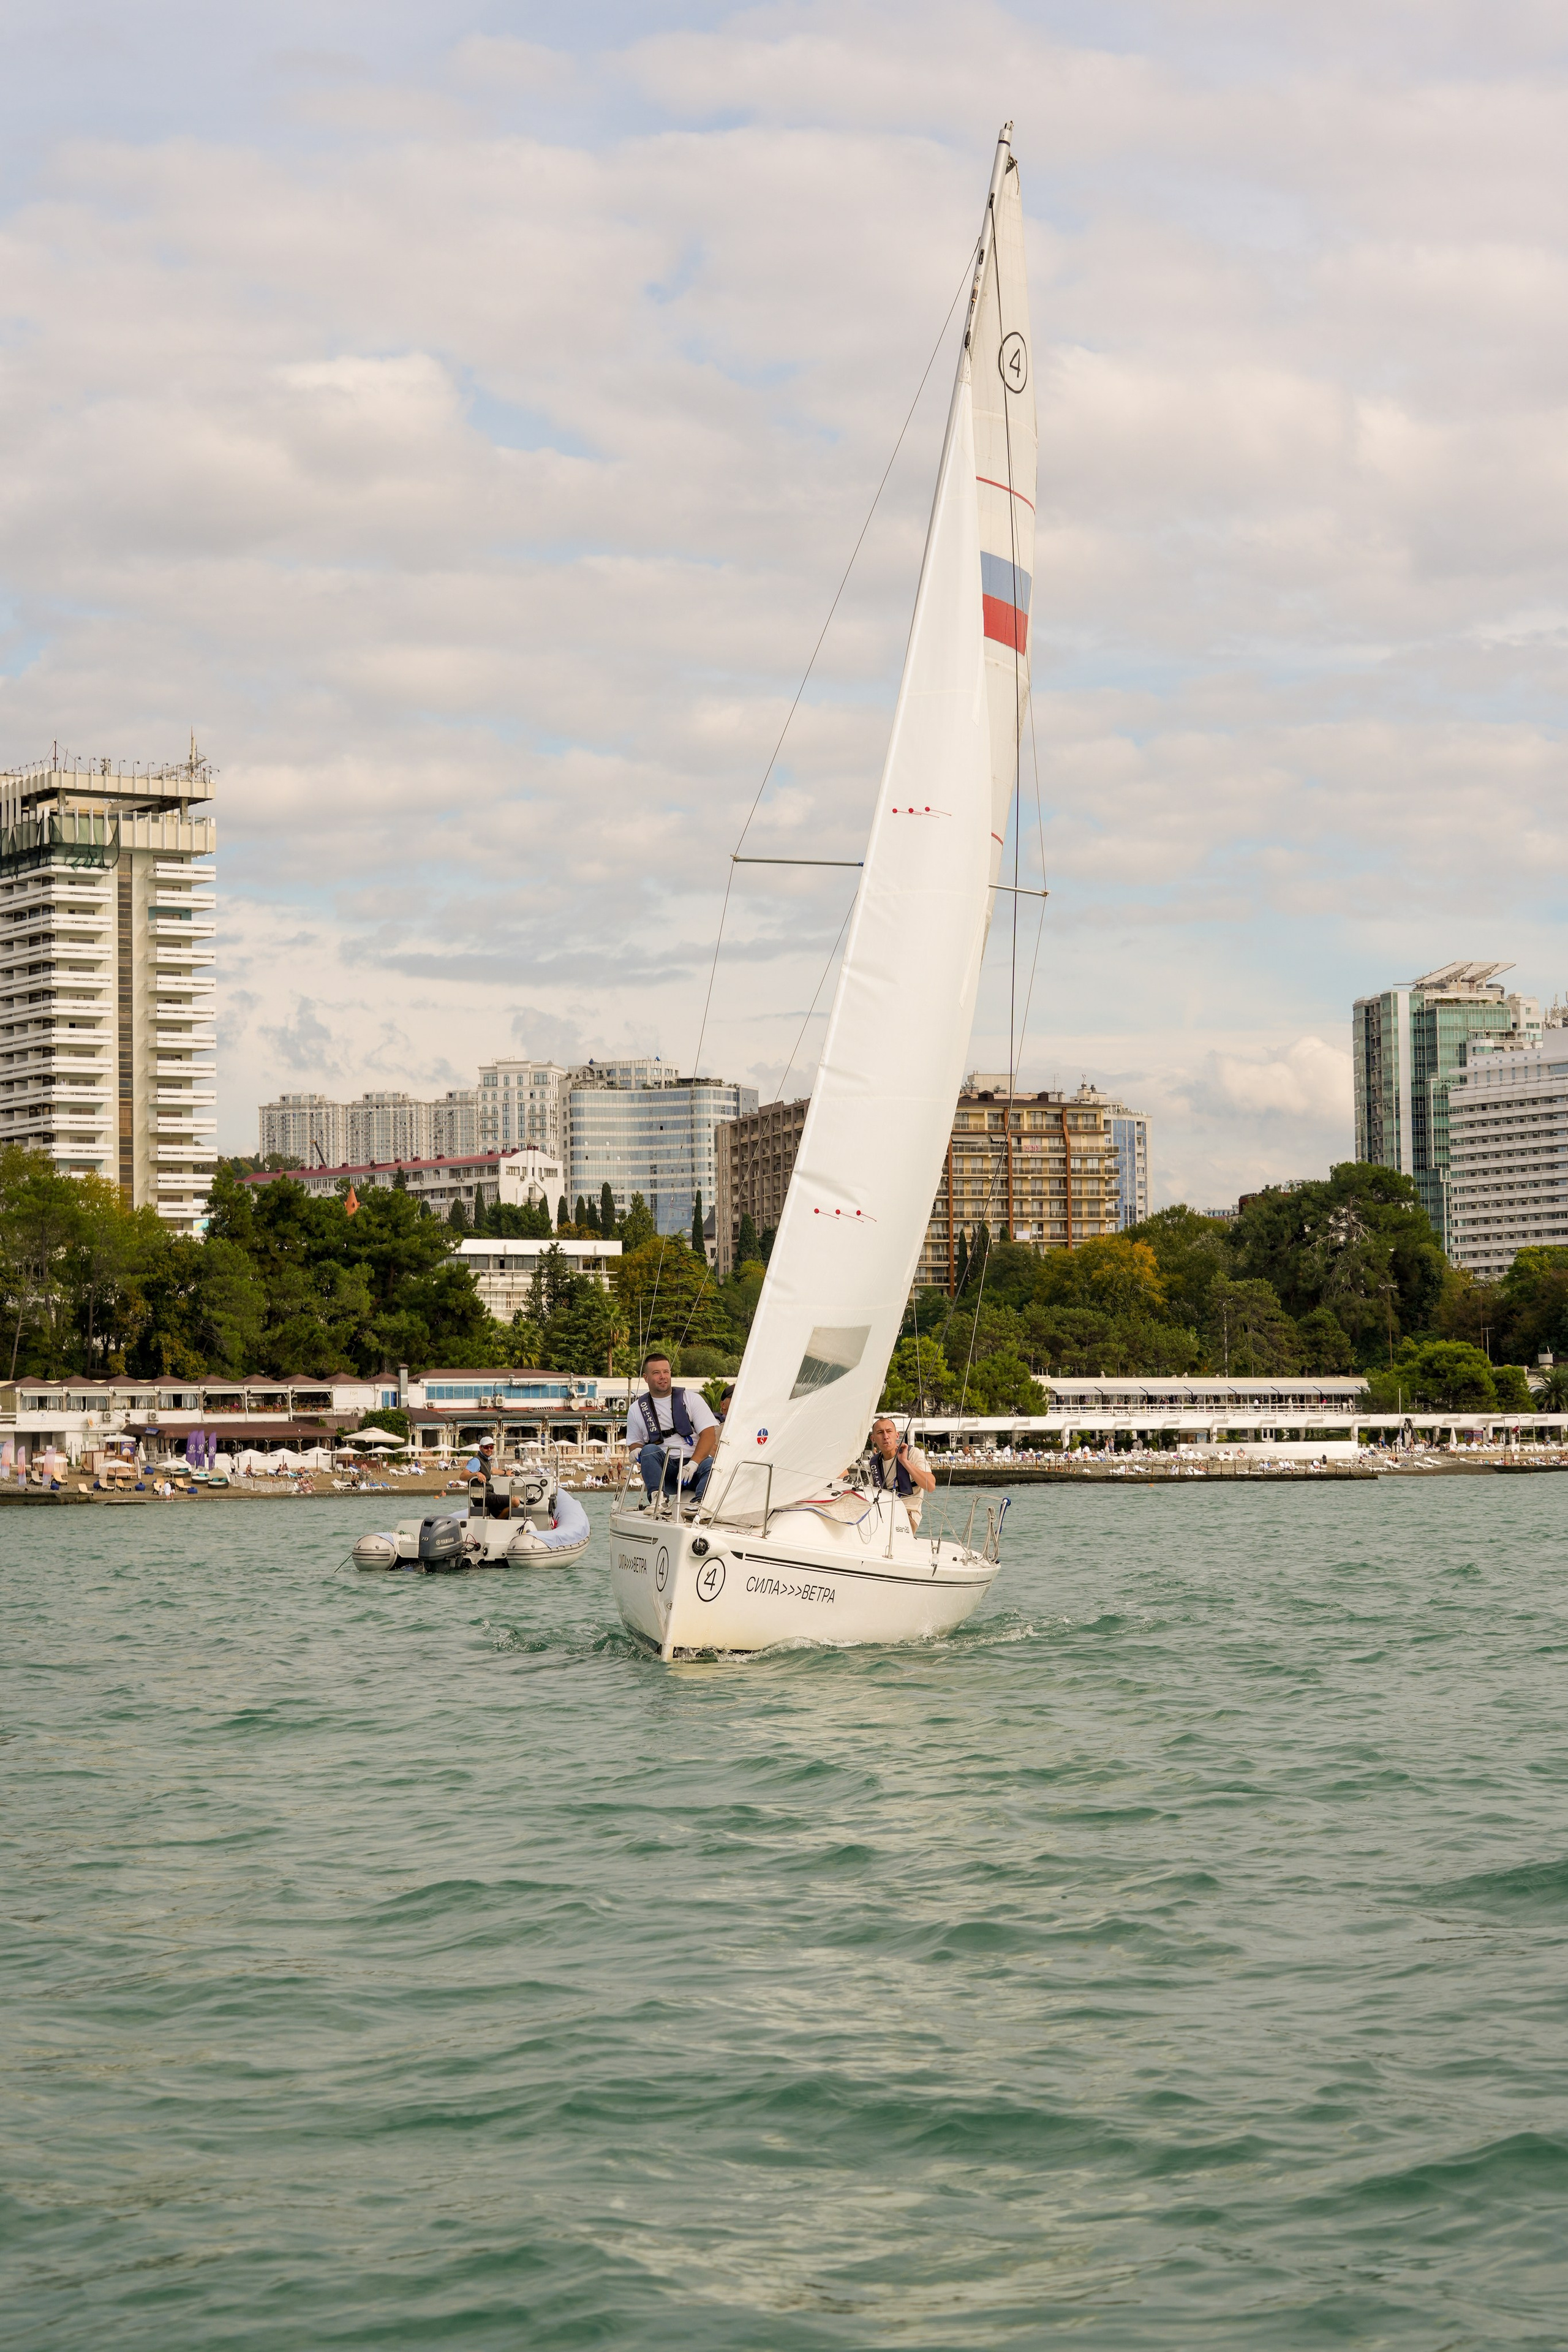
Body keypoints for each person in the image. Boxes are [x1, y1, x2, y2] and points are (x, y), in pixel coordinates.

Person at [627, 1352, 718, 1503]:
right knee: (648, 1450)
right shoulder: (636, 1409)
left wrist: (693, 1464)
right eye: (656, 1373)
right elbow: (635, 1443)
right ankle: (659, 1499)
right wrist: (636, 1450)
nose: (662, 1376)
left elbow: (709, 1435)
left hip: (694, 1467)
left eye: (666, 1372)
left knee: (712, 1465)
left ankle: (700, 1503)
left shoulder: (692, 1399)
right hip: (665, 1472)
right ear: (646, 1378)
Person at [864, 1415, 936, 1532]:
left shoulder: (912, 1454)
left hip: (907, 1515)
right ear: (873, 1439)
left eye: (889, 1432)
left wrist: (904, 1462)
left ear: (897, 1435)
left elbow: (931, 1486)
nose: (886, 1437)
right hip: (882, 1513)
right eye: (880, 1433)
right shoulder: (874, 1464)